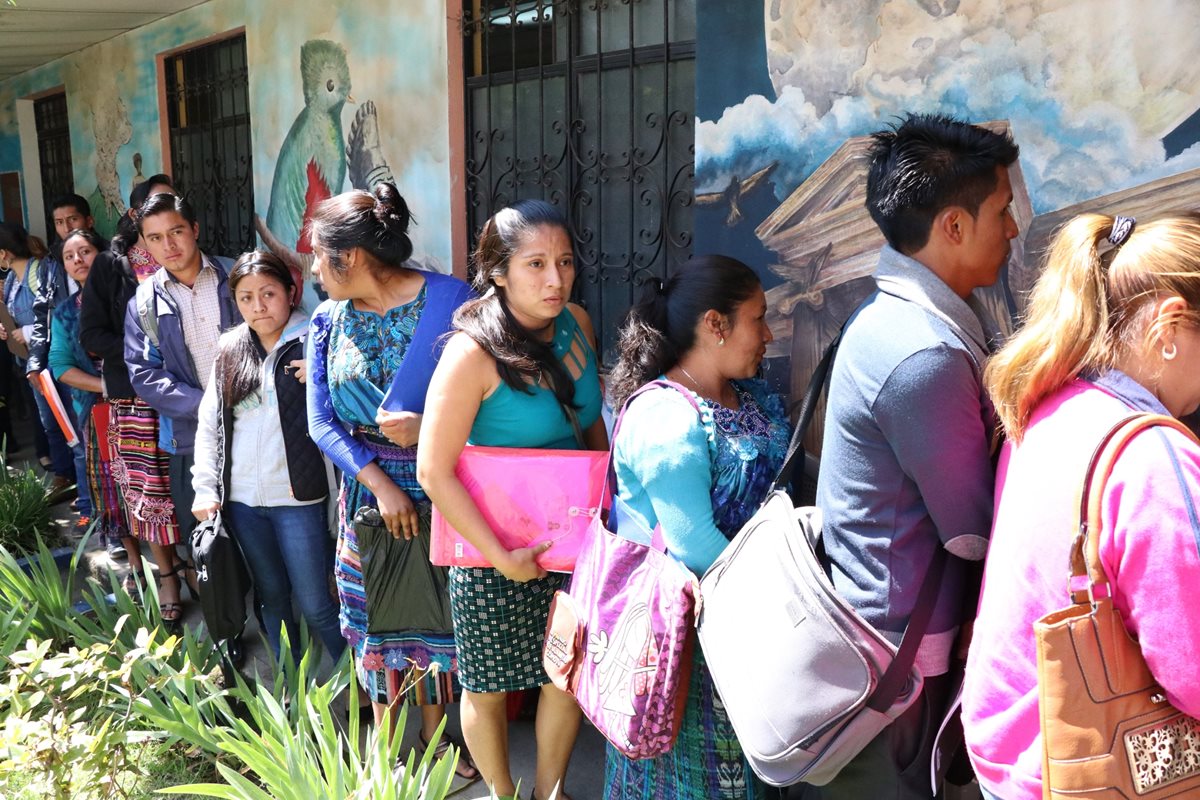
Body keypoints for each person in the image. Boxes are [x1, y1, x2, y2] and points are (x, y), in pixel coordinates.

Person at [807, 113, 1019, 799]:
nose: (1013, 229)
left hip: (890, 643)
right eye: (1002, 211)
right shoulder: (922, 351)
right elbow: (973, 528)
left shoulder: (900, 317)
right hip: (899, 668)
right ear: (953, 228)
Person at [962, 213, 1200, 800]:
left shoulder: (1047, 408)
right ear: (1169, 325)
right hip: (1096, 772)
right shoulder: (1151, 453)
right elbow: (1193, 669)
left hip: (1019, 756)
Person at [418, 199, 607, 800]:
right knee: (487, 687)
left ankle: (549, 791)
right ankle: (502, 794)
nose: (555, 279)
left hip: (572, 541)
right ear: (498, 271)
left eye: (565, 262)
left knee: (563, 676)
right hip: (489, 550)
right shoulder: (471, 353)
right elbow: (433, 470)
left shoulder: (574, 322)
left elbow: (591, 422)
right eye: (535, 264)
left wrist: (607, 503)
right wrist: (501, 556)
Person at [305, 182, 479, 782]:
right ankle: (386, 750)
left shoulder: (454, 302)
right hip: (367, 492)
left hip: (446, 483)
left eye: (317, 254)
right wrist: (380, 482)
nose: (312, 268)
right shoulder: (326, 321)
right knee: (373, 614)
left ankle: (437, 742)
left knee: (440, 618)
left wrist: (429, 425)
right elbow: (321, 422)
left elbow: (493, 395)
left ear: (347, 258)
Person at [603, 255, 785, 799]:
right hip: (688, 643)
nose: (769, 334)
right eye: (759, 318)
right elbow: (695, 544)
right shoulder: (666, 416)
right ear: (715, 324)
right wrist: (784, 608)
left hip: (739, 630)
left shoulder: (744, 397)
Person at [191, 250, 344, 664]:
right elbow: (211, 426)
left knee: (316, 603)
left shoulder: (317, 339)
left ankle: (359, 686)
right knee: (271, 597)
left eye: (268, 293)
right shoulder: (230, 349)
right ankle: (289, 682)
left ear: (291, 292)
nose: (258, 307)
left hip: (299, 498)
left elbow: (347, 407)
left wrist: (321, 372)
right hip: (242, 502)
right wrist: (205, 488)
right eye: (245, 298)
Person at [124, 192, 240, 626]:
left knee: (257, 538)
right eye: (155, 238)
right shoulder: (144, 303)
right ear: (145, 245)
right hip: (190, 439)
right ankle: (227, 637)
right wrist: (209, 405)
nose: (168, 245)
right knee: (207, 543)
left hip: (256, 429)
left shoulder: (234, 275)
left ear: (194, 230)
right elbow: (144, 375)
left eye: (175, 232)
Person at [80, 174, 181, 602]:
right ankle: (169, 580)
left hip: (185, 396)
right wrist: (143, 351)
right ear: (134, 216)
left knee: (188, 490)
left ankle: (200, 570)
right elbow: (92, 335)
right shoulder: (110, 265)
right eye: (151, 208)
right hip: (136, 398)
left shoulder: (187, 257)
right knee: (150, 494)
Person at [47, 229, 128, 557]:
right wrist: (107, 387)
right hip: (96, 405)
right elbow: (61, 366)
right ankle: (116, 535)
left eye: (85, 251)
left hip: (143, 398)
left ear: (104, 253)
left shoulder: (129, 295)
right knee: (107, 472)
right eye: (69, 256)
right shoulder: (66, 312)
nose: (78, 260)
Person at [0, 221, 76, 499]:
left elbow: (59, 312)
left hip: (52, 361)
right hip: (31, 365)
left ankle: (78, 481)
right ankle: (63, 476)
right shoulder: (11, 281)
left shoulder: (41, 271)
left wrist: (28, 331)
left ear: (3, 254)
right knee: (50, 424)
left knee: (66, 422)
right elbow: (13, 317)